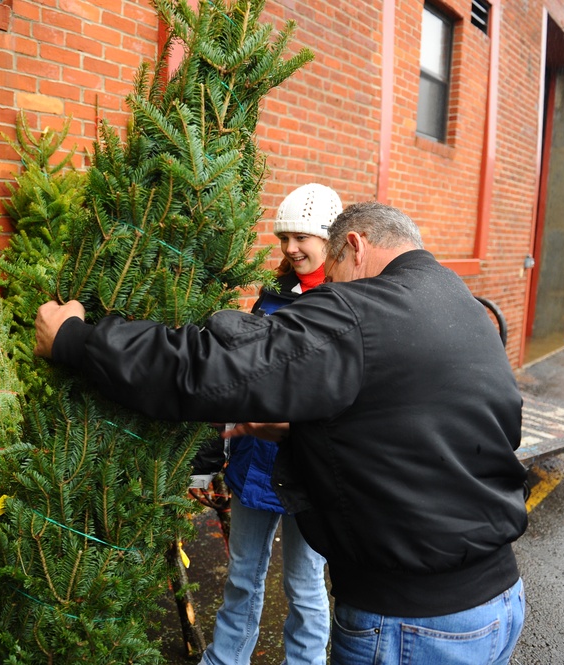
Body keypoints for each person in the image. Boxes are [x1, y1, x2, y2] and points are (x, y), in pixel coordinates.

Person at [34, 201, 529, 665]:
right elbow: (424, 429)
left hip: (412, 624)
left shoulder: (362, 311)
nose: (333, 288)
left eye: (333, 277)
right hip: (499, 604)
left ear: (354, 245)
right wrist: (299, 434)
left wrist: (77, 340)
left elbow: (214, 367)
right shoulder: (460, 305)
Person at [195, 183, 340, 665]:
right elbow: (245, 377)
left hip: (308, 470)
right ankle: (223, 660)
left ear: (329, 238)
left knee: (303, 585)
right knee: (242, 576)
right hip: (256, 464)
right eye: (284, 238)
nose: (291, 248)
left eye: (302, 237)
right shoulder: (273, 296)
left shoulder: (347, 302)